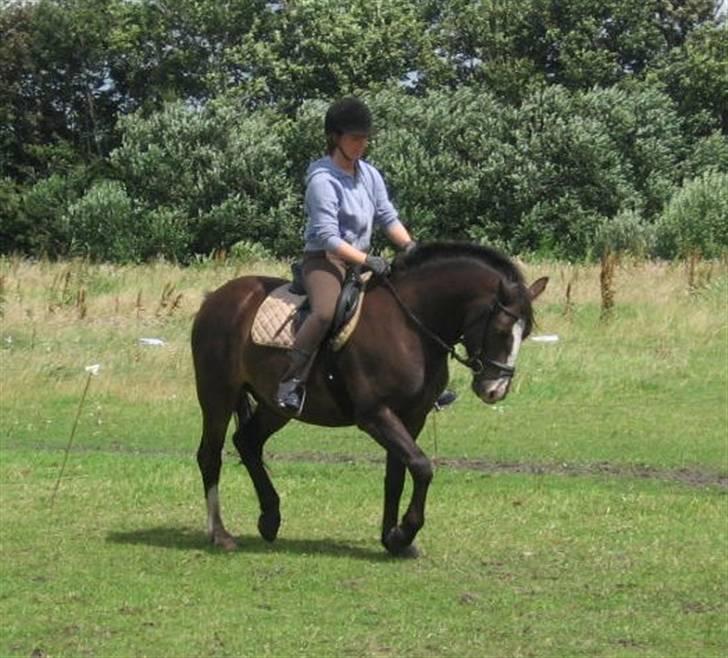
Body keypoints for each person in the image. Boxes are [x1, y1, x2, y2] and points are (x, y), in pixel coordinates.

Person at [275, 97, 415, 413]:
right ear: (335, 138)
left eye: (365, 138)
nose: (361, 144)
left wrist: (409, 247)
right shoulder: (321, 179)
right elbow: (327, 237)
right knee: (325, 311)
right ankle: (290, 382)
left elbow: (387, 217)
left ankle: (420, 385)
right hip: (326, 260)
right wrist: (365, 261)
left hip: (361, 259)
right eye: (354, 138)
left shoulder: (370, 174)